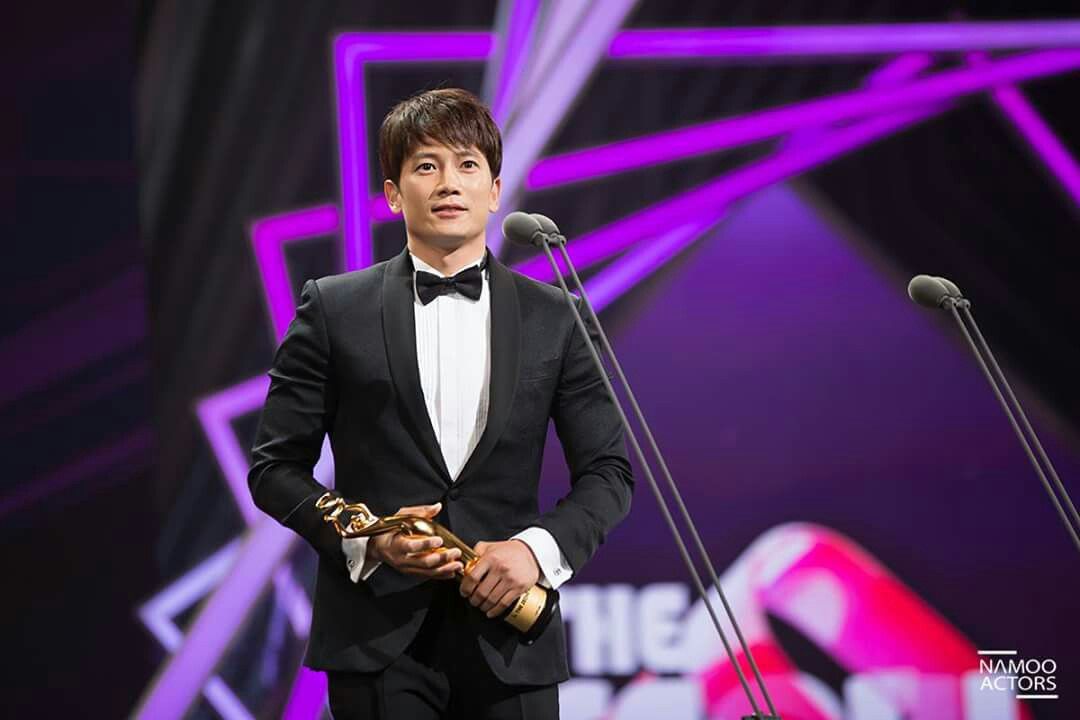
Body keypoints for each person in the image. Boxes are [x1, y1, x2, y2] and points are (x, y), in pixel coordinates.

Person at [248, 87, 633, 719]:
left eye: (467, 164)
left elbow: (609, 473)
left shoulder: (555, 316)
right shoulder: (335, 308)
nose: (448, 182)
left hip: (512, 637)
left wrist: (535, 550)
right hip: (375, 643)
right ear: (395, 193)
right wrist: (370, 538)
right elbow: (274, 468)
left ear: (496, 190)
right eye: (426, 165)